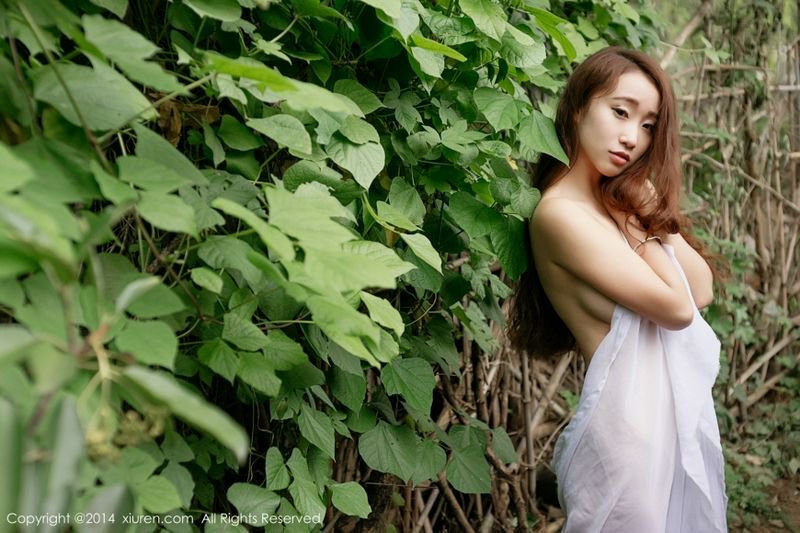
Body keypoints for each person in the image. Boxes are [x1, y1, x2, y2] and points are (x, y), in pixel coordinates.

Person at [506, 47, 728, 532]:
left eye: (648, 125)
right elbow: (677, 309)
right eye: (621, 112)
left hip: (663, 430)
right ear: (578, 108)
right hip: (626, 441)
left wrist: (643, 210)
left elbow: (701, 289)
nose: (633, 137)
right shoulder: (560, 214)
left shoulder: (612, 203)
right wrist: (635, 217)